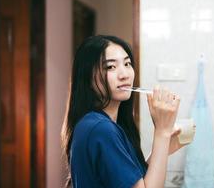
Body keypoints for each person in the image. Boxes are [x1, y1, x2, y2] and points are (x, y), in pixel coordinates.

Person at [61, 35, 185, 188]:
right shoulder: (101, 129)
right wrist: (162, 132)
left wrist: (162, 147)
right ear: (87, 77)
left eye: (127, 64)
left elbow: (136, 183)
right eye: (110, 67)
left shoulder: (98, 125)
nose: (125, 74)